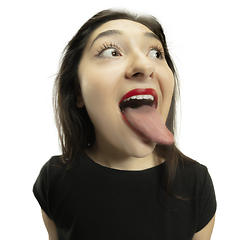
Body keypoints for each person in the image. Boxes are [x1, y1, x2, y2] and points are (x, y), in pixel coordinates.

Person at [33, 9, 216, 240]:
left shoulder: (195, 183)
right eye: (112, 51)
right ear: (77, 90)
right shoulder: (54, 179)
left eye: (155, 53)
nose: (145, 65)